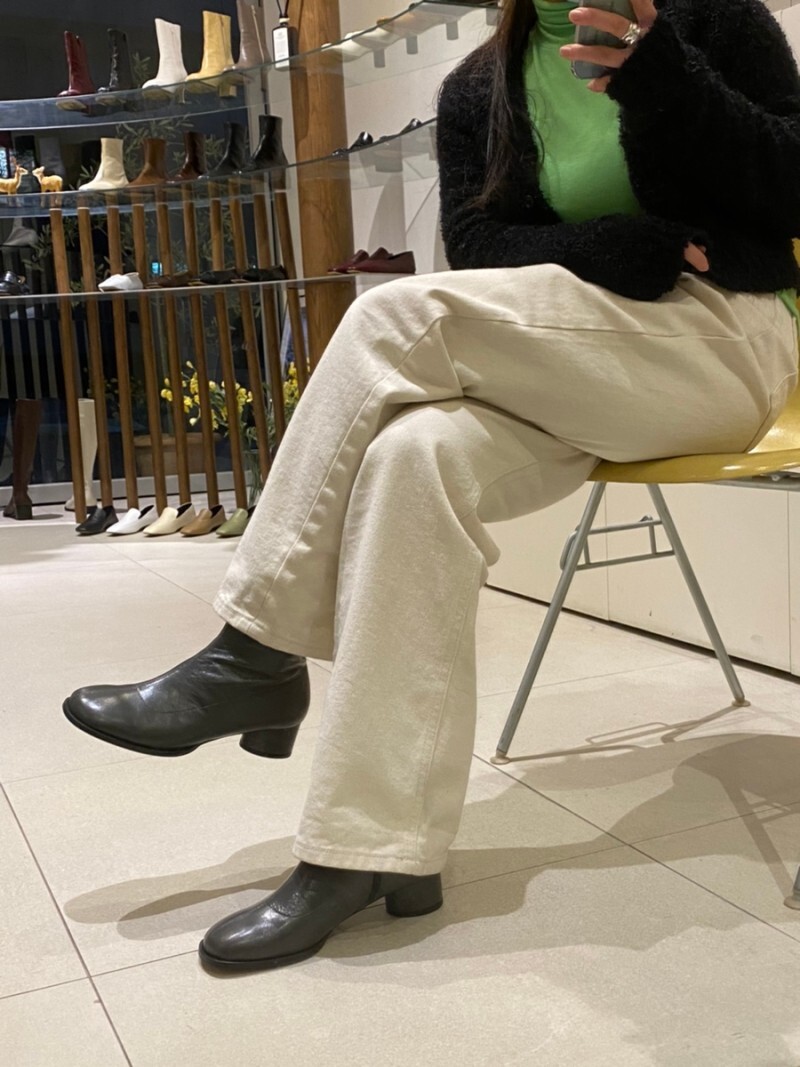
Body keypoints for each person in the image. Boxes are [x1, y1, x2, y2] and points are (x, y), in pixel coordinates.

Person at [63, 0, 800, 973]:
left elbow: (787, 186)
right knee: (412, 458)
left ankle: (255, 652)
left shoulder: (712, 22)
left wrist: (663, 71)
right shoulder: (477, 87)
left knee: (391, 318)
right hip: (575, 347)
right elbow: (475, 242)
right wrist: (611, 246)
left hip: (723, 341)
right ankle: (372, 847)